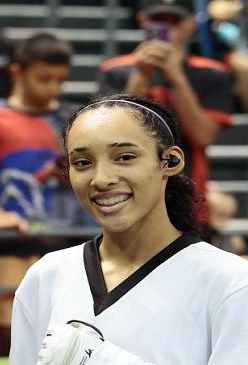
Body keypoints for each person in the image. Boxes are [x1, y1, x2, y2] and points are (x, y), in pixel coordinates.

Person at [0, 94, 248, 365]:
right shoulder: (48, 273)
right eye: (82, 162)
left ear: (170, 161)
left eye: (125, 157)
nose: (101, 179)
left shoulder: (229, 280)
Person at [0, 33, 83, 356]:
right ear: (17, 72)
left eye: (61, 80)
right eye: (44, 79)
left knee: (70, 326)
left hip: (67, 235)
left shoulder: (73, 119)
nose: (54, 88)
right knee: (9, 329)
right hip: (12, 237)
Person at [98, 0, 234, 223]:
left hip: (188, 199)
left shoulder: (212, 73)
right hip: (125, 196)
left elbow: (202, 136)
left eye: (175, 21)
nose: (167, 28)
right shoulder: (115, 70)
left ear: (191, 24)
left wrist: (177, 77)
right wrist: (141, 77)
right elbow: (109, 133)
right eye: (158, 20)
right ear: (142, 21)